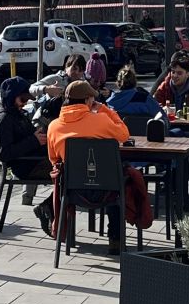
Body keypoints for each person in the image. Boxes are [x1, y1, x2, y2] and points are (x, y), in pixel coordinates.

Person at [40, 80, 136, 249]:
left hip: (72, 190)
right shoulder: (101, 120)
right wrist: (105, 110)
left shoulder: (54, 127)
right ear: (87, 101)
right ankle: (115, 239)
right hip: (107, 190)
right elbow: (124, 135)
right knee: (117, 175)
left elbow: (54, 160)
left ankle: (67, 237)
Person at [0, 77, 47, 197]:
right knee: (68, 172)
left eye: (26, 100)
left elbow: (27, 136)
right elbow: (4, 153)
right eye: (23, 99)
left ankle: (51, 208)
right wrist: (34, 140)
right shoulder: (3, 119)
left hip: (34, 160)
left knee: (70, 166)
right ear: (11, 97)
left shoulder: (16, 113)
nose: (25, 103)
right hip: (26, 166)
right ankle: (50, 209)